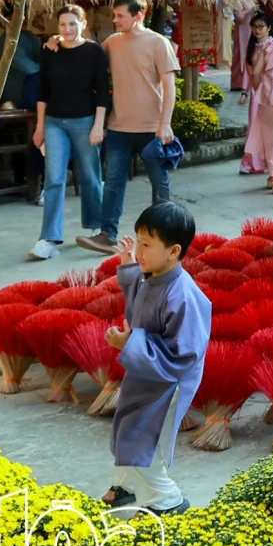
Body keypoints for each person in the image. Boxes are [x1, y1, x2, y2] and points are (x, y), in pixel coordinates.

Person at [101, 200, 210, 515]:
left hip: (166, 381)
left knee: (143, 438)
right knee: (127, 426)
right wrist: (127, 262)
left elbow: (184, 354)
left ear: (174, 251)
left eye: (146, 245)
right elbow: (137, 290)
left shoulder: (185, 296)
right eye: (138, 241)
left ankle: (166, 499)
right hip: (145, 372)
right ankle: (126, 485)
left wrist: (130, 343)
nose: (139, 251)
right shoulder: (153, 274)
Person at [76, 0, 179, 254]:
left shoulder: (159, 43)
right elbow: (87, 57)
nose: (115, 20)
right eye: (115, 15)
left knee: (159, 182)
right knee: (113, 183)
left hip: (151, 127)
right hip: (119, 127)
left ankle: (163, 234)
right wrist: (58, 41)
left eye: (120, 15)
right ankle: (107, 234)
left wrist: (165, 124)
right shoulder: (112, 43)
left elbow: (170, 88)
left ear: (138, 16)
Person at [29, 5, 109, 261]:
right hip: (54, 122)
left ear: (83, 23)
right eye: (63, 24)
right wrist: (41, 126)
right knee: (53, 179)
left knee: (90, 175)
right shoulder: (50, 50)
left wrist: (98, 125)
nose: (67, 29)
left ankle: (96, 226)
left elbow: (102, 90)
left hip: (85, 121)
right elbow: (42, 92)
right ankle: (49, 238)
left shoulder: (94, 51)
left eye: (73, 24)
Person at [241, 13, 273, 191]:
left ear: (270, 28)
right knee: (261, 130)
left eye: (261, 26)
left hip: (263, 92)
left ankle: (269, 170)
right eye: (255, 27)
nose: (257, 30)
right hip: (262, 93)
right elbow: (251, 72)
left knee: (271, 134)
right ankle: (264, 168)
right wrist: (247, 91)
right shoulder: (260, 47)